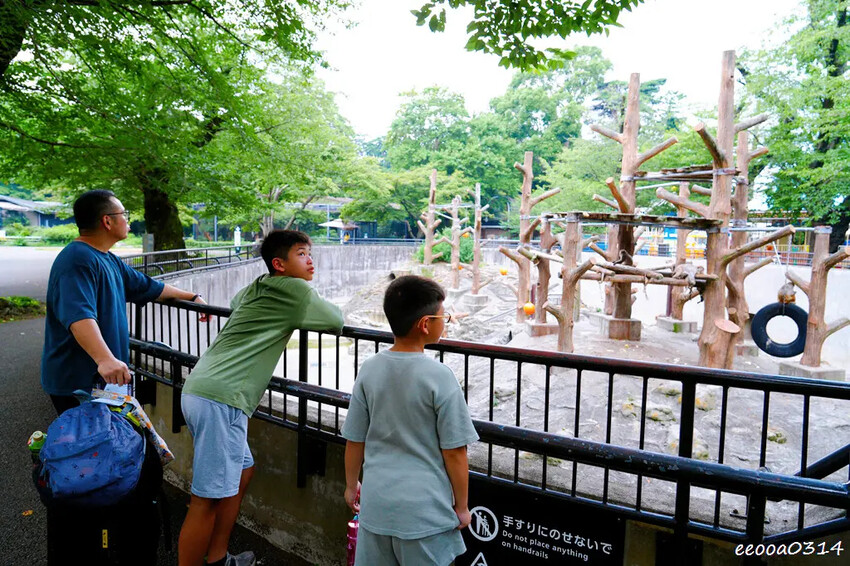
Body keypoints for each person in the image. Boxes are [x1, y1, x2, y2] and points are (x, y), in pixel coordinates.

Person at [178, 229, 344, 566]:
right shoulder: (296, 291)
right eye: (301, 253)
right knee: (204, 500)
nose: (310, 259)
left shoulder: (259, 285)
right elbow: (335, 320)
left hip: (208, 391)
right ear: (279, 264)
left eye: (310, 252)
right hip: (220, 399)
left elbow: (238, 302)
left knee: (243, 472)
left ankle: (220, 557)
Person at [342, 275, 479, 566]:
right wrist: (462, 506)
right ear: (425, 324)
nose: (446, 321)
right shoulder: (440, 376)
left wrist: (351, 485)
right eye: (444, 316)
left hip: (376, 507)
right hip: (424, 512)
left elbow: (355, 438)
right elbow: (455, 451)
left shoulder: (370, 368)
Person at [41, 189, 207, 415]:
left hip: (104, 379)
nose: (128, 220)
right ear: (107, 221)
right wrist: (106, 359)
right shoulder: (77, 260)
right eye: (124, 214)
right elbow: (79, 316)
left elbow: (149, 286)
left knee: (110, 445)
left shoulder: (107, 258)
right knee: (89, 446)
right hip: (79, 382)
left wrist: (192, 296)